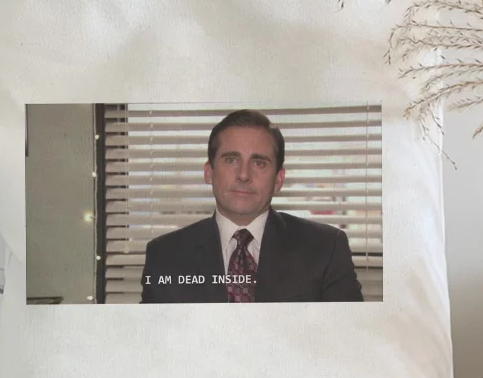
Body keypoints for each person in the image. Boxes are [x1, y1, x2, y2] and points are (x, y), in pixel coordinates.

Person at [140, 109, 364, 303]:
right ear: (208, 172)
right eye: (231, 160)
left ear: (278, 179)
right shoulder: (164, 256)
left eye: (259, 163)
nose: (244, 175)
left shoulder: (326, 249)